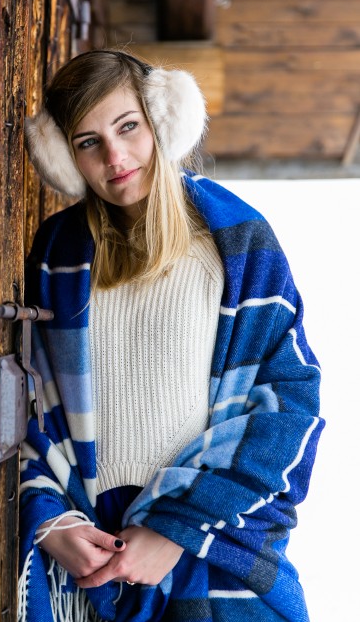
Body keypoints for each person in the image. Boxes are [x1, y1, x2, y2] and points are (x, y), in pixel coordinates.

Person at [18, 50, 323, 622]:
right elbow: (30, 403)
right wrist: (52, 521)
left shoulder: (236, 241)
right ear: (65, 159)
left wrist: (175, 530)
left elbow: (289, 411)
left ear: (163, 120)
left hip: (206, 550)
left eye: (128, 126)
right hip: (87, 561)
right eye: (87, 142)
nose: (116, 156)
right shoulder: (58, 254)